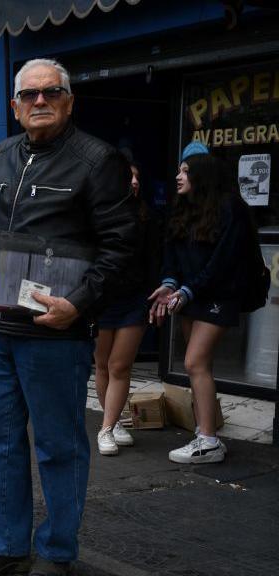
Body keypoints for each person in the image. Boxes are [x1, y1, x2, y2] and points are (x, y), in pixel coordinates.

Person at [0, 58, 136, 576]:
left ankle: (58, 553)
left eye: (51, 93)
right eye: (30, 95)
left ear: (69, 101)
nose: (40, 101)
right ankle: (7, 547)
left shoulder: (97, 161)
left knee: (58, 446)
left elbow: (121, 247)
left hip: (55, 334)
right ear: (14, 107)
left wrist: (78, 304)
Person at [149, 150, 255, 464]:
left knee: (195, 362)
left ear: (202, 175)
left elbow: (223, 261)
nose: (178, 177)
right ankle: (205, 434)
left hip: (217, 295)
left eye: (185, 171)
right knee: (199, 366)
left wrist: (188, 289)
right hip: (190, 295)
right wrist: (169, 283)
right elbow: (171, 252)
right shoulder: (183, 209)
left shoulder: (229, 207)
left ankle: (208, 439)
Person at [92, 160, 159, 456]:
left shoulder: (146, 217)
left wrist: (156, 293)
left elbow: (154, 260)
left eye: (137, 177)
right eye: (128, 177)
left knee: (120, 365)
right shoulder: (97, 216)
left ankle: (106, 428)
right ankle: (114, 420)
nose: (134, 182)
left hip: (134, 299)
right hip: (103, 299)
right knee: (103, 365)